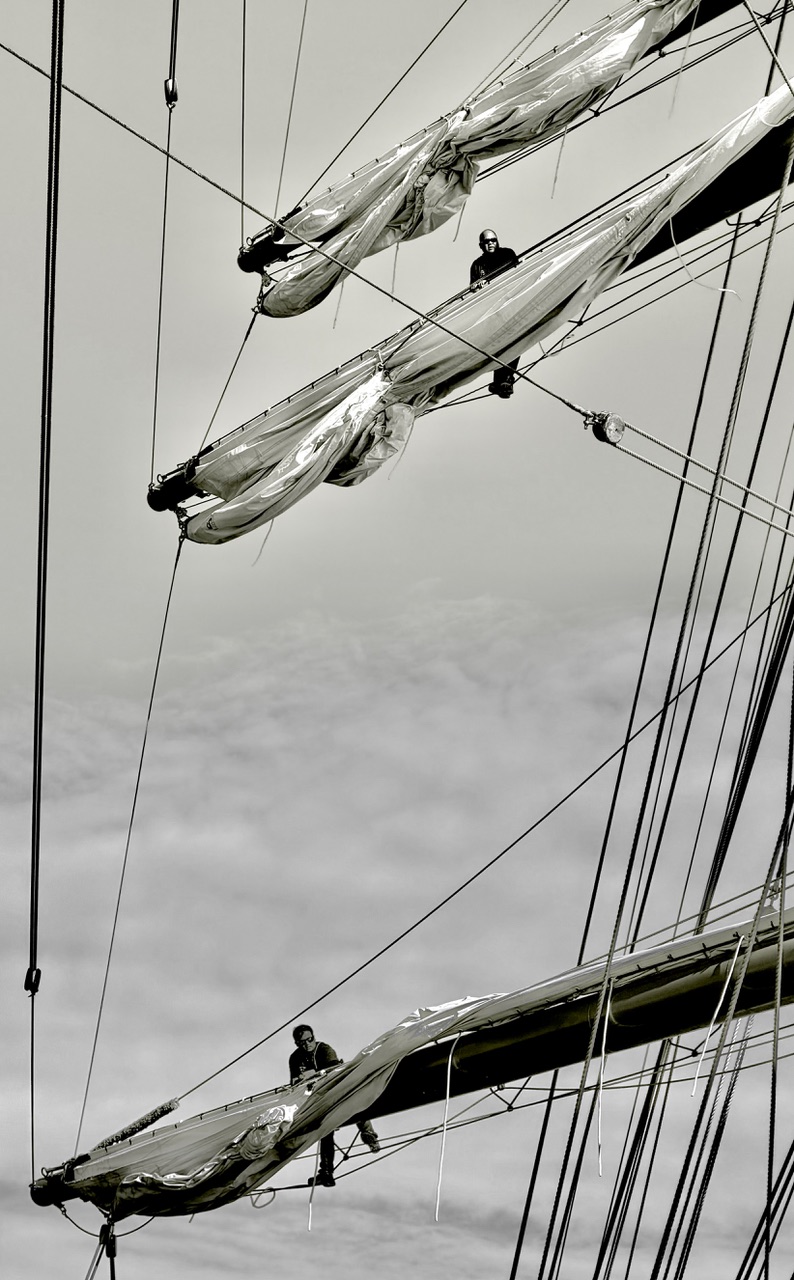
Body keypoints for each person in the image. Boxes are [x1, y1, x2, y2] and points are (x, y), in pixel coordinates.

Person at [289, 1025, 381, 1187]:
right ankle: (326, 1172)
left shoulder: (324, 1049)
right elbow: (295, 1085)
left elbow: (334, 1072)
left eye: (310, 1039)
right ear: (297, 1043)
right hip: (317, 1096)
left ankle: (370, 1136)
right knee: (326, 1129)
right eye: (303, 1042)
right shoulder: (295, 1058)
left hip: (338, 1087)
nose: (308, 1044)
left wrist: (311, 1075)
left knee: (356, 1104)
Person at [469, 229, 520, 399]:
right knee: (500, 342)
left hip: (510, 301)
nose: (490, 243)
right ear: (481, 245)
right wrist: (477, 287)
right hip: (493, 309)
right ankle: (502, 380)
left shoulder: (507, 254)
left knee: (514, 338)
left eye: (493, 240)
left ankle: (505, 379)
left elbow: (516, 272)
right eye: (486, 242)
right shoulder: (477, 265)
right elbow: (473, 289)